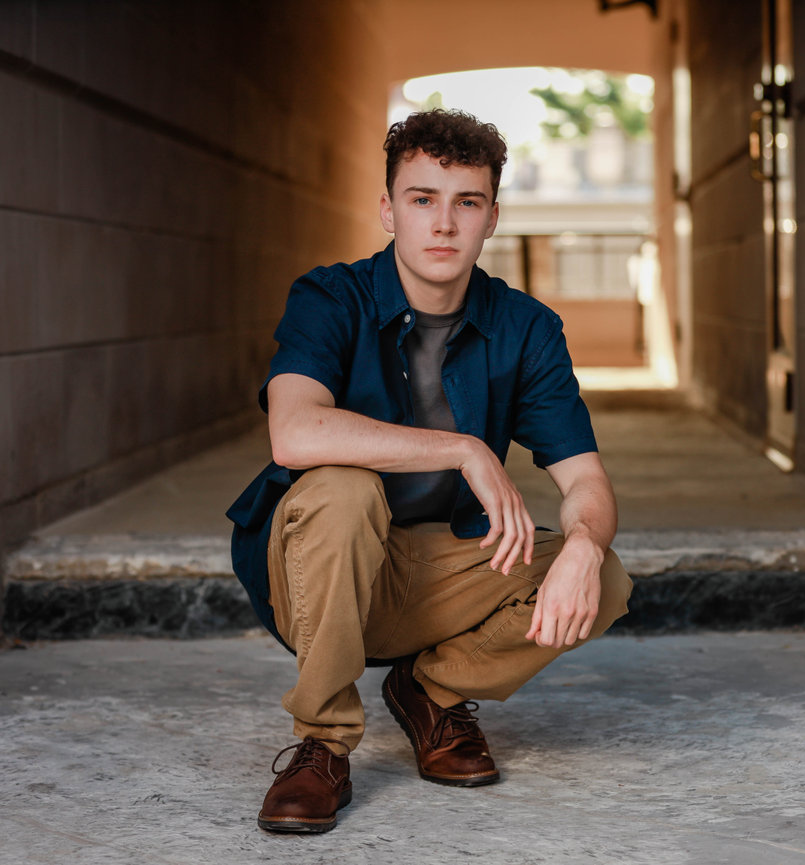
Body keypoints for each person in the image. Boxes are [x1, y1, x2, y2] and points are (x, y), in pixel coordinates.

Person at [226, 108, 633, 834]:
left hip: (442, 563)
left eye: (466, 203)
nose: (444, 224)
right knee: (344, 490)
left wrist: (583, 544)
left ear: (492, 218)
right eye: (422, 200)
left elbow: (586, 482)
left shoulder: (526, 327)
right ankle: (321, 745)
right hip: (318, 564)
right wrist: (462, 448)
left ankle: (430, 692)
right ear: (388, 210)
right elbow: (292, 432)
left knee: (604, 572)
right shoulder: (329, 297)